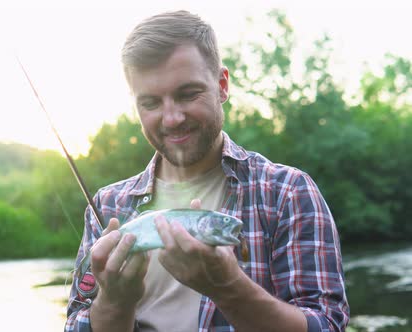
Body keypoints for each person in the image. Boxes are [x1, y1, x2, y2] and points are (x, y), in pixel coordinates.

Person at [65, 10, 349, 332]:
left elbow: (326, 325)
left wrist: (228, 287)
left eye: (188, 94)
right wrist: (115, 303)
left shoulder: (288, 192)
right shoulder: (106, 205)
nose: (171, 118)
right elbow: (76, 323)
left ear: (222, 85)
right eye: (151, 103)